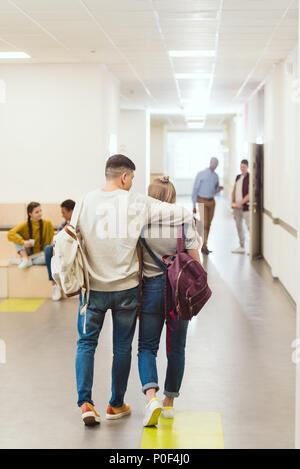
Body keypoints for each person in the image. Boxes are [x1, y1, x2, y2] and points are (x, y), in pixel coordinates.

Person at [72, 154, 196, 427]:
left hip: (92, 289)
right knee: (122, 347)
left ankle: (85, 403)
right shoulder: (136, 201)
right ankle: (116, 404)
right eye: (132, 179)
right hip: (126, 288)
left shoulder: (84, 200)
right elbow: (180, 213)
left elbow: (71, 237)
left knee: (86, 344)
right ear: (125, 177)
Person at [138, 176, 200, 427]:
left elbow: (135, 260)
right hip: (179, 291)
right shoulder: (185, 220)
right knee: (176, 349)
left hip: (151, 288)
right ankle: (169, 402)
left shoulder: (140, 222)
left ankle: (150, 398)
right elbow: (195, 260)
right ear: (172, 197)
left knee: (146, 347)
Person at [44, 199, 76, 301]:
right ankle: (55, 285)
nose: (62, 215)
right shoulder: (62, 225)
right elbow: (56, 239)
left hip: (74, 250)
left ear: (71, 211)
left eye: (64, 213)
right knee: (48, 249)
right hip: (62, 251)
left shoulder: (79, 224)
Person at [7, 202, 54, 270]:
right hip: (29, 252)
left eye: (40, 211)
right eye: (37, 212)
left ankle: (24, 261)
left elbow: (51, 240)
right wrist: (23, 242)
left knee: (48, 257)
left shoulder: (47, 223)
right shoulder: (25, 224)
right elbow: (10, 234)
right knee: (16, 236)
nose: (40, 213)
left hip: (42, 254)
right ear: (30, 214)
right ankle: (25, 258)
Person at [192, 157, 223, 255]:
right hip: (201, 200)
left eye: (216, 164)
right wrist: (193, 205)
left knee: (208, 224)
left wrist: (219, 189)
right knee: (204, 224)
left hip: (211, 202)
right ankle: (202, 246)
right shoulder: (201, 174)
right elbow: (195, 189)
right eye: (213, 163)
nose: (214, 165)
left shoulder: (216, 176)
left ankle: (205, 245)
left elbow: (215, 190)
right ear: (210, 163)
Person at [231, 159, 250, 254]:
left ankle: (252, 248)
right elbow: (234, 190)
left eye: (244, 167)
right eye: (241, 166)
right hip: (236, 206)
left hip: (245, 206)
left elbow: (250, 194)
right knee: (239, 226)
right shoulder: (238, 177)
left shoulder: (250, 177)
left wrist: (240, 203)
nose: (242, 168)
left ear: (247, 167)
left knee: (249, 226)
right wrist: (232, 201)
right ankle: (242, 246)